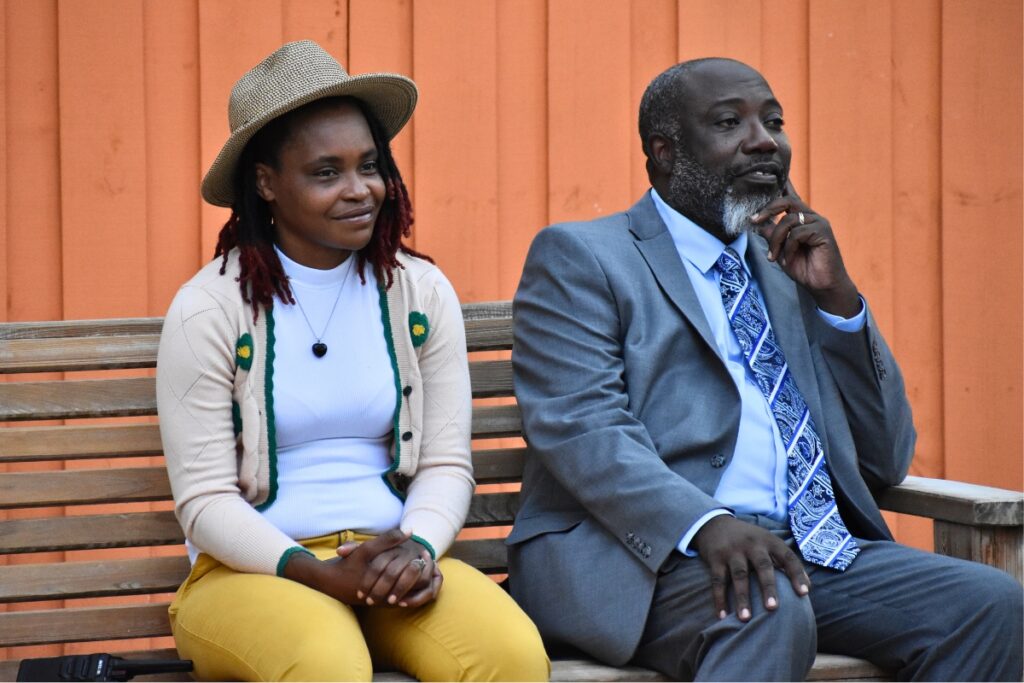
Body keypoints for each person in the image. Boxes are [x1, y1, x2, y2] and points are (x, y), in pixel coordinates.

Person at [508, 57, 1022, 681]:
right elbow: (582, 427)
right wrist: (705, 523)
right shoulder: (584, 257)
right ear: (665, 153)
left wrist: (840, 305)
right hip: (642, 561)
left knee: (992, 606)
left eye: (773, 121)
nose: (763, 141)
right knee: (762, 605)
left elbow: (884, 459)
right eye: (730, 123)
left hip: (809, 551)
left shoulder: (790, 265)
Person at [156, 40, 548, 682]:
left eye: (369, 166)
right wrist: (319, 573)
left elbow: (447, 464)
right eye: (325, 172)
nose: (360, 190)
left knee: (512, 656)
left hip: (392, 556)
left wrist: (418, 548)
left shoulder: (417, 292)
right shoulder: (210, 309)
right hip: (253, 571)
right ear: (266, 184)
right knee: (326, 666)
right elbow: (202, 501)